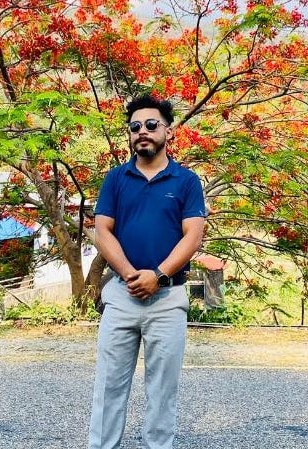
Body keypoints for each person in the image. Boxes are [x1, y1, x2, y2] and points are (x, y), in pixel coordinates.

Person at [89, 94, 206, 449]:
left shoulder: (186, 181)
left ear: (168, 132)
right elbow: (102, 230)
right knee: (108, 386)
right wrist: (129, 274)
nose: (143, 131)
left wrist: (158, 275)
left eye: (151, 125)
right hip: (121, 296)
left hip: (168, 299)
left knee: (162, 390)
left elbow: (193, 235)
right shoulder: (116, 179)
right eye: (135, 126)